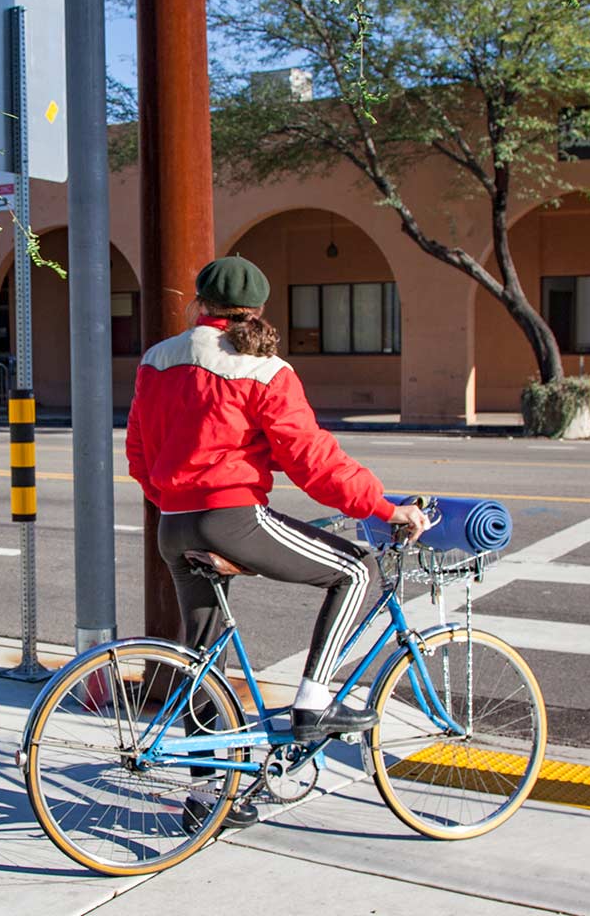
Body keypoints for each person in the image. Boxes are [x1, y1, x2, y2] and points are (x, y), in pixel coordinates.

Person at [126, 256, 428, 827]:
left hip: (173, 523)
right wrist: (385, 507)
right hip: (232, 518)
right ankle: (315, 702)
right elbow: (313, 462)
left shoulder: (156, 359)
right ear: (258, 309)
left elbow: (139, 452)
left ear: (199, 303)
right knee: (356, 570)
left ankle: (208, 797)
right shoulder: (265, 369)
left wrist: (172, 496)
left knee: (201, 658)